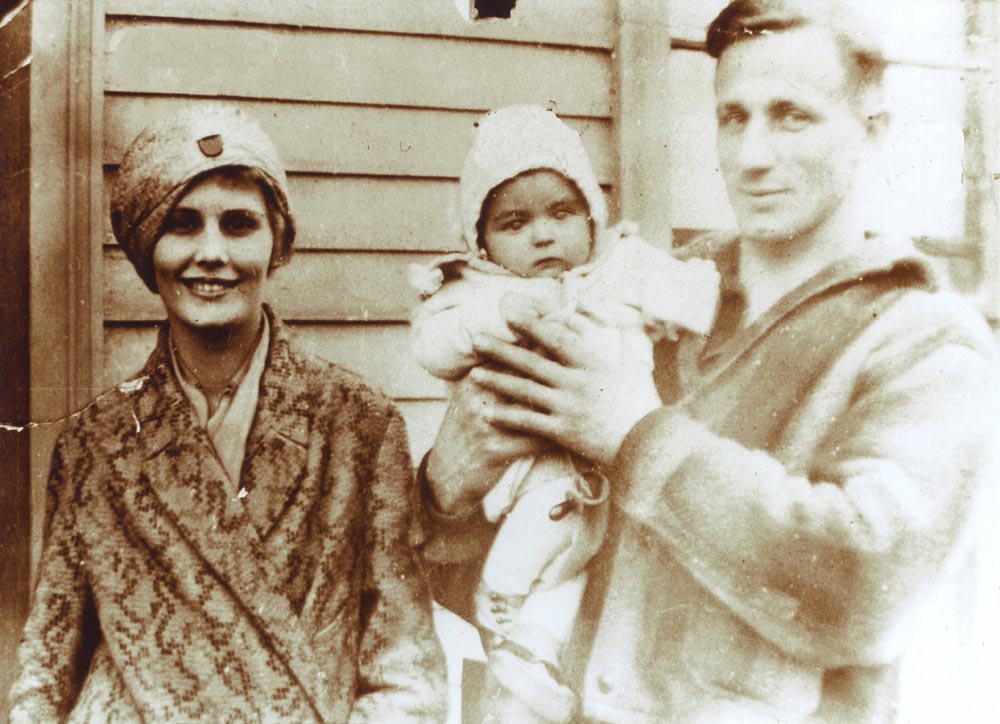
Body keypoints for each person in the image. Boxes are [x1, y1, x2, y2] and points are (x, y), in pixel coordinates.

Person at [417, 1, 998, 721]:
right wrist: (449, 493)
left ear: (872, 131)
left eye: (793, 116)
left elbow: (861, 588)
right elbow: (493, 573)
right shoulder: (645, 295)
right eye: (733, 117)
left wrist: (636, 437)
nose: (753, 155)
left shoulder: (925, 343)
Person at [9, 106, 447, 723]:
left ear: (277, 243)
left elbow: (406, 670)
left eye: (239, 225)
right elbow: (47, 668)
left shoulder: (360, 426)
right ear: (146, 246)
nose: (211, 253)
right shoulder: (94, 442)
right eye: (183, 225)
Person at [409, 105, 719, 721]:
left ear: (591, 217)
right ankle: (517, 651)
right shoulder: (480, 291)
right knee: (535, 560)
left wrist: (699, 287)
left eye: (561, 213)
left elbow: (695, 301)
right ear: (483, 242)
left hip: (610, 475)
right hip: (524, 473)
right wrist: (497, 318)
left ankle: (528, 655)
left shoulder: (620, 270)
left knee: (568, 558)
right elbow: (434, 343)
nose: (543, 236)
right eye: (514, 223)